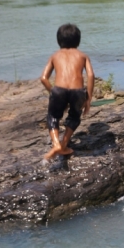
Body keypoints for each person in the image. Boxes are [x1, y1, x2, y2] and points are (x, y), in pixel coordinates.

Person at [40, 23, 95, 163]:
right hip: (78, 91)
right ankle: (63, 144)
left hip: (59, 90)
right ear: (78, 40)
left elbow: (43, 78)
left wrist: (53, 92)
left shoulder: (55, 56)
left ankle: (56, 144)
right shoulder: (83, 56)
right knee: (74, 117)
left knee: (53, 117)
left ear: (59, 40)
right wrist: (88, 99)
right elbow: (91, 76)